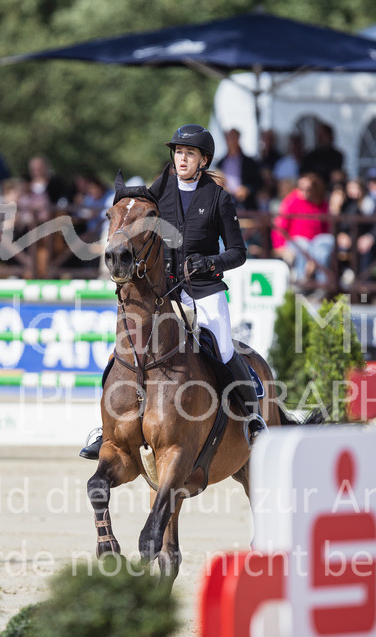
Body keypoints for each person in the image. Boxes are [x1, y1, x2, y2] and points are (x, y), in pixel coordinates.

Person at [80, 123, 263, 460]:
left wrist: (208, 262)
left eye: (189, 153)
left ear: (203, 160)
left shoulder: (219, 199)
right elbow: (134, 214)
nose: (182, 158)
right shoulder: (160, 190)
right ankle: (105, 429)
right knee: (124, 348)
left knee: (222, 347)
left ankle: (252, 418)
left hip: (204, 290)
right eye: (178, 152)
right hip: (164, 291)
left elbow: (238, 253)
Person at [273, 173, 333, 288]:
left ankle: (323, 285)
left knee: (324, 246)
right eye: (300, 188)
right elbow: (280, 225)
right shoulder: (292, 200)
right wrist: (279, 245)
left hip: (316, 242)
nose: (303, 191)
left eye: (308, 189)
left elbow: (327, 226)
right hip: (297, 241)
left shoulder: (321, 202)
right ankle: (302, 284)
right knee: (302, 246)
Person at [215, 128, 261, 210]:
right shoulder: (220, 163)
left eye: (234, 138)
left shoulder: (249, 162)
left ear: (238, 139)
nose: (231, 141)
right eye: (229, 138)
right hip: (225, 201)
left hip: (244, 204)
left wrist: (247, 189)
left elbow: (258, 182)